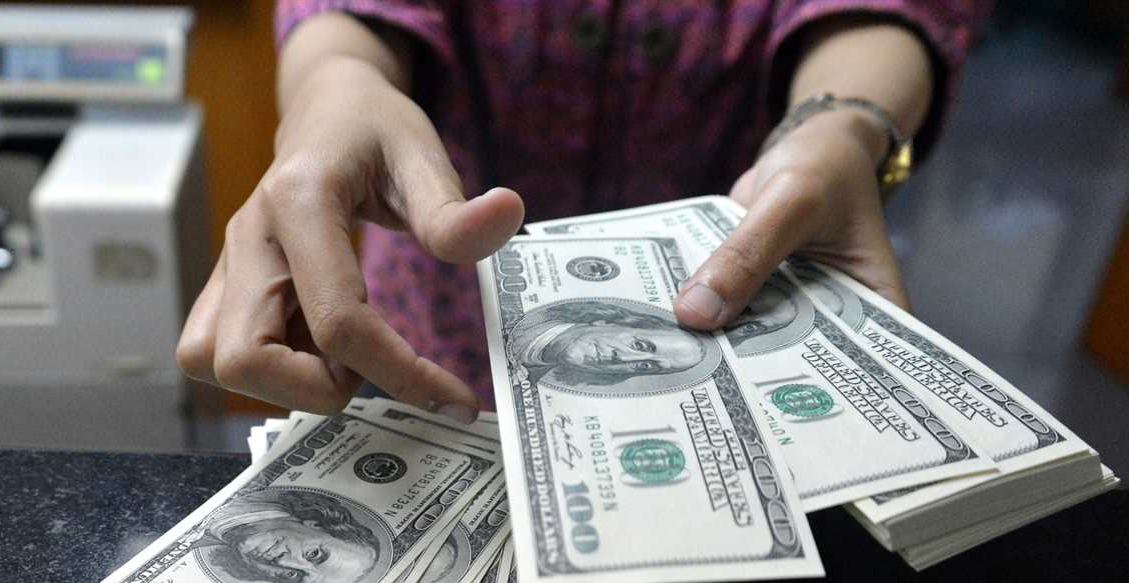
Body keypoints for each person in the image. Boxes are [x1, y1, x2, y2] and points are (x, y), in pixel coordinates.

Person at [176, 2, 992, 423]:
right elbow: (347, 21)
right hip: (442, 349)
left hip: (735, 332)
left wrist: (842, 124)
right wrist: (332, 85)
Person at [206, 489, 383, 583]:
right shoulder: (254, 495)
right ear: (316, 524)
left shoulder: (210, 540)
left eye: (293, 575)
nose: (283, 561)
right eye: (313, 554)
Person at [507, 300, 710, 389]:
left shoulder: (526, 388)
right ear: (610, 321)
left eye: (646, 366)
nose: (623, 358)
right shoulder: (519, 317)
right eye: (640, 346)